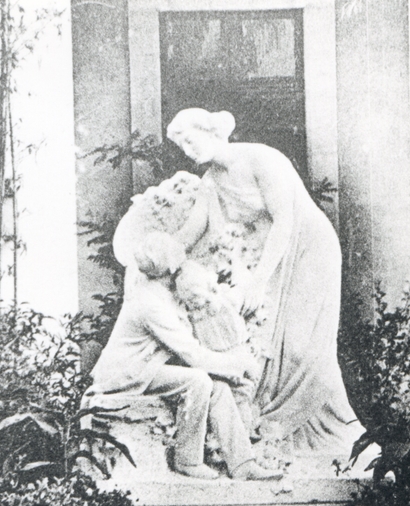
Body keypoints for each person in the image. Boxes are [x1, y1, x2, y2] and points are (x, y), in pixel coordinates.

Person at [166, 108, 360, 453]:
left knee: (303, 345)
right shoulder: (211, 182)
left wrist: (256, 282)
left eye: (189, 139)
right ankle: (281, 431)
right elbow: (191, 234)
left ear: (211, 131)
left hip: (309, 250)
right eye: (180, 145)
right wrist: (154, 256)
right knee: (270, 341)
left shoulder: (262, 159)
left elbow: (286, 220)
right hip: (274, 257)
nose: (187, 150)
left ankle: (328, 429)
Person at [86, 231, 281, 481]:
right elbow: (193, 355)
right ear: (169, 266)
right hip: (127, 374)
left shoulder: (164, 294)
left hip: (146, 368)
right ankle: (187, 460)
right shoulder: (151, 303)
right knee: (198, 381)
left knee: (218, 387)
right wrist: (238, 365)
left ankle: (243, 464)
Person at [174, 259, 257, 434]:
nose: (197, 307)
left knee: (243, 393)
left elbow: (245, 292)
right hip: (215, 363)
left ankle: (245, 435)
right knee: (222, 398)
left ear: (210, 288)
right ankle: (224, 438)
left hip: (237, 355)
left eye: (200, 301)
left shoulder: (227, 299)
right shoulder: (190, 317)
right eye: (191, 303)